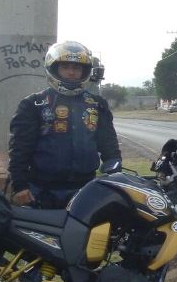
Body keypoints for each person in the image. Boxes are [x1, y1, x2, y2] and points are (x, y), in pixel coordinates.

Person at [8, 41, 122, 209]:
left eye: (76, 68)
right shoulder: (33, 104)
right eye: (65, 67)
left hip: (86, 190)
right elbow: (19, 149)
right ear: (54, 68)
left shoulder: (97, 104)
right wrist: (19, 186)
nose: (71, 72)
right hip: (41, 190)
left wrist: (115, 176)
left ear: (85, 71)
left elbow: (109, 146)